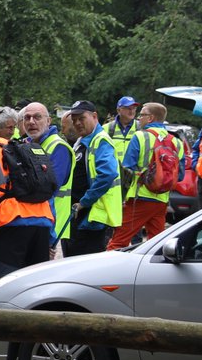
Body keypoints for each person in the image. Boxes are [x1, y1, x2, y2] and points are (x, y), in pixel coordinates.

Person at [0, 107, 53, 286]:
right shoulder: (25, 148)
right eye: (10, 127)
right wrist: (51, 234)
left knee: (3, 289)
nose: (12, 131)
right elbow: (46, 190)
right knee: (35, 288)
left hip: (10, 224)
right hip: (42, 222)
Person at [109, 101, 187, 250]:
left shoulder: (140, 136)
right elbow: (180, 176)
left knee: (118, 242)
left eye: (142, 115)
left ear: (150, 118)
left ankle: (107, 266)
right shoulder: (177, 142)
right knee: (157, 246)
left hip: (139, 198)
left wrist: (121, 197)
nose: (139, 118)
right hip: (162, 201)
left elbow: (127, 170)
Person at [65, 100, 122, 257]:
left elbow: (107, 174)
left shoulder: (100, 140)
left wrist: (84, 202)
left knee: (84, 264)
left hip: (93, 217)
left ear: (94, 116)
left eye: (81, 118)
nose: (77, 123)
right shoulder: (82, 141)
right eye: (74, 120)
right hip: (83, 215)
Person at [18, 102, 73, 258]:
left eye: (37, 117)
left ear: (48, 121)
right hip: (32, 221)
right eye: (27, 118)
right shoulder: (27, 144)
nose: (31, 122)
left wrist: (50, 238)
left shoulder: (58, 147)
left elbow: (49, 189)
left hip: (49, 225)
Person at [106, 95, 139, 183]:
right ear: (118, 110)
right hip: (113, 177)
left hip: (134, 179)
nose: (132, 111)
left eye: (134, 108)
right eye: (128, 108)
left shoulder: (141, 128)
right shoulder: (106, 129)